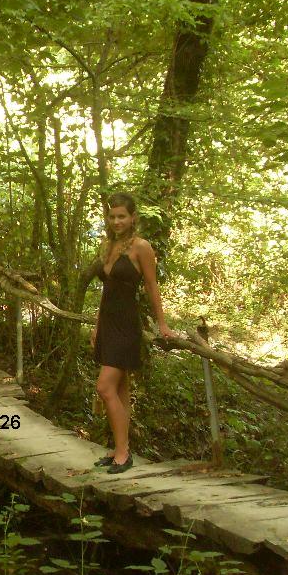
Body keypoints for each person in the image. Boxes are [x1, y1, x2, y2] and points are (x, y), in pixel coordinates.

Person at [90, 192, 174, 474]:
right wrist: (97, 326)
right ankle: (119, 448)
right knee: (120, 389)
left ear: (133, 217)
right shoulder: (109, 245)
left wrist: (162, 324)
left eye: (122, 216)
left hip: (126, 325)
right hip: (108, 323)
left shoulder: (141, 247)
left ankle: (123, 454)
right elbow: (107, 291)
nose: (117, 221)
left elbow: (151, 286)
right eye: (112, 216)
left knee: (105, 387)